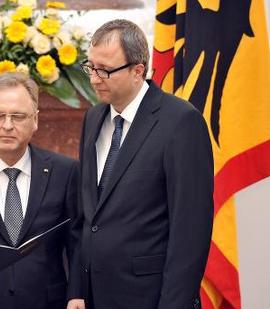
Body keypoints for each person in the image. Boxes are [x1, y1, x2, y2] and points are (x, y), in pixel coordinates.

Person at [67, 20, 214, 309]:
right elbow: (87, 218)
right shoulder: (93, 118)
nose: (94, 79)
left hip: (150, 297)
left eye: (105, 70)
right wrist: (77, 290)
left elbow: (190, 232)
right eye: (91, 67)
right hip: (95, 296)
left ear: (138, 70)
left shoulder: (181, 122)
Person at [0, 72, 79, 309]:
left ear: (35, 120)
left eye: (18, 116)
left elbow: (77, 242)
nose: (7, 125)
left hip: (49, 302)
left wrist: (76, 295)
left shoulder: (65, 171)